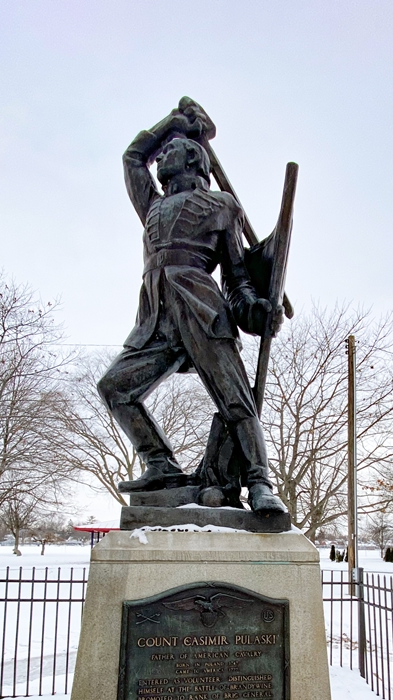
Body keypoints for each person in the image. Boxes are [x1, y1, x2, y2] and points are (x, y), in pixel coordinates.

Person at [98, 100, 286, 514]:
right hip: (155, 318)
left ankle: (259, 483)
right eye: (162, 149)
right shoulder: (152, 204)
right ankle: (161, 465)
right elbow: (133, 156)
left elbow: (237, 279)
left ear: (194, 160)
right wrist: (173, 123)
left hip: (203, 309)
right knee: (115, 388)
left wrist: (255, 310)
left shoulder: (222, 205)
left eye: (173, 148)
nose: (163, 153)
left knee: (236, 401)